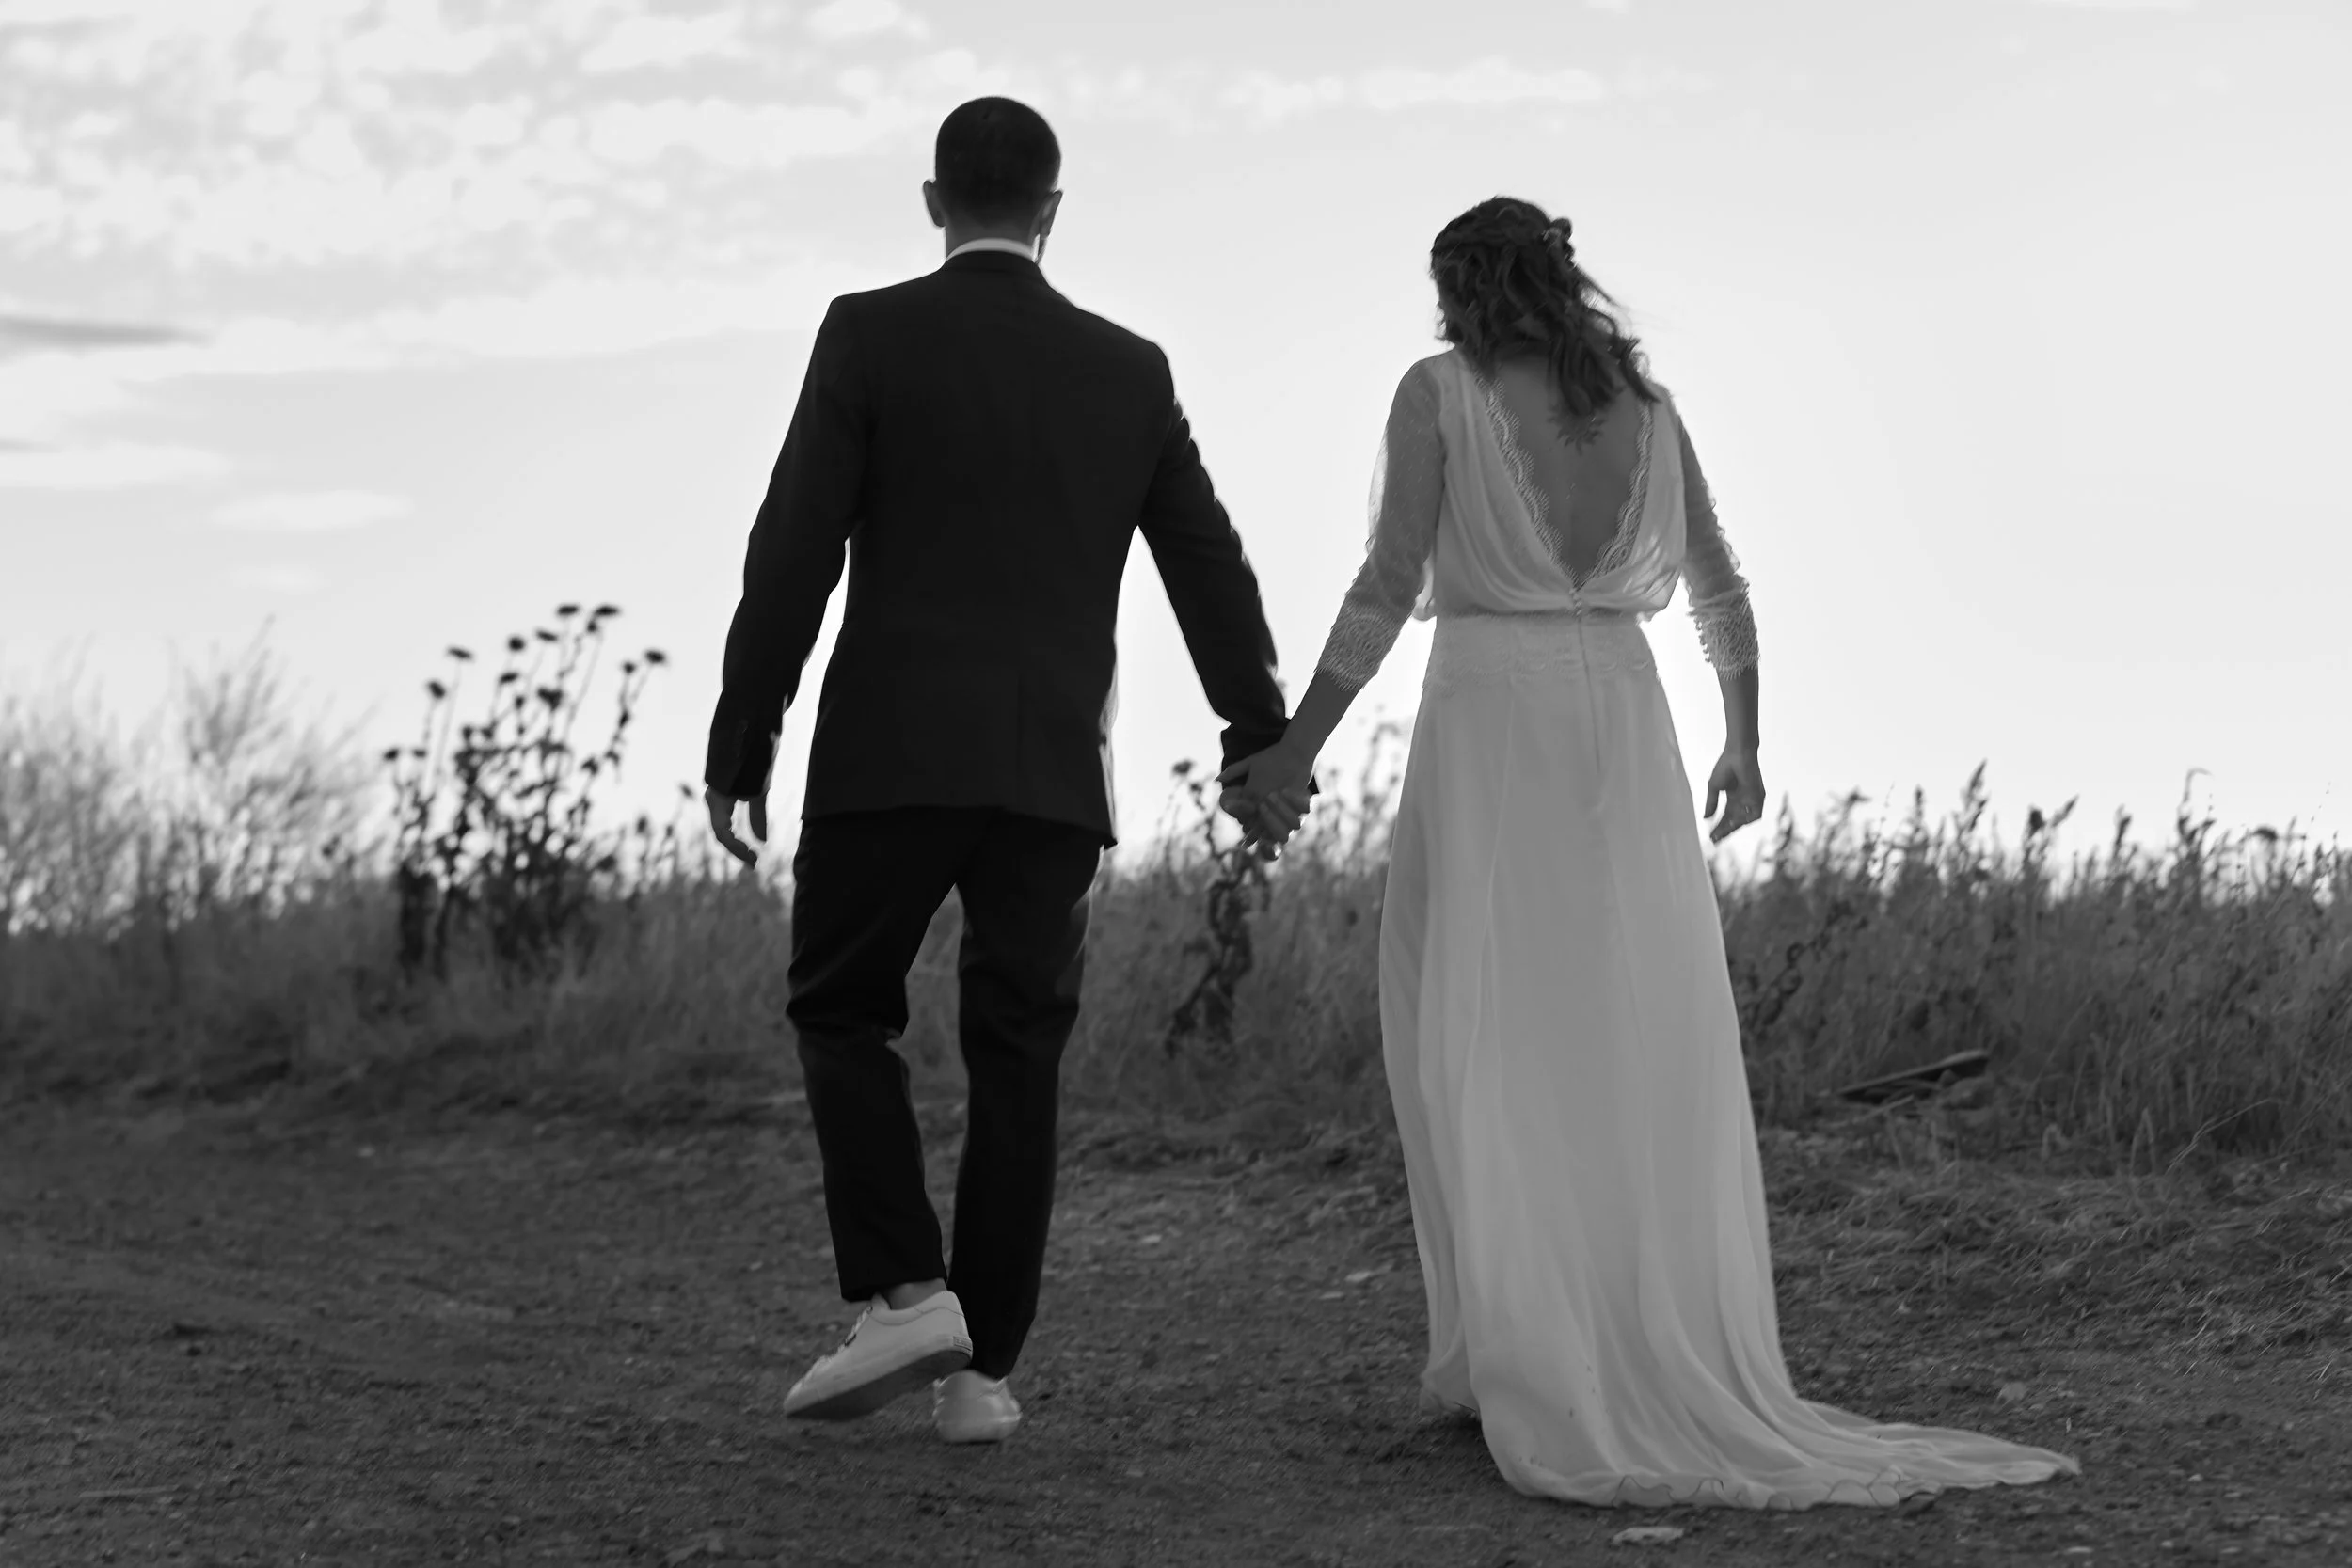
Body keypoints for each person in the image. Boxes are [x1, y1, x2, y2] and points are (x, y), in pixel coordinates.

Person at [1219, 197, 2080, 1508]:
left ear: (1460, 291)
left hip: (1494, 724)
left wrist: (1296, 749)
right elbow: (1721, 581)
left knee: (1483, 1031)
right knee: (1621, 1037)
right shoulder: (1652, 409)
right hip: (1626, 725)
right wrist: (1743, 738)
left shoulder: (1436, 392)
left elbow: (1387, 585)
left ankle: (1528, 1351)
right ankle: (1571, 1335)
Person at [702, 98, 1290, 1446]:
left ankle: (909, 1289)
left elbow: (790, 546)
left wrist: (746, 733)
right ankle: (981, 1377)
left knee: (842, 1007)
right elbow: (1208, 560)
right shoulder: (1128, 369)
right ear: (1053, 210)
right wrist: (1253, 732)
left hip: (888, 756)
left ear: (931, 201)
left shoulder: (868, 333)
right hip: (1049, 770)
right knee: (1019, 1053)